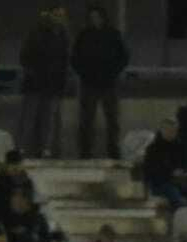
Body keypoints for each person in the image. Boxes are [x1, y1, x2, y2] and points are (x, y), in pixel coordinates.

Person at [72, 3, 128, 160]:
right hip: (89, 84)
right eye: (92, 18)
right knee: (86, 121)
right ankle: (85, 152)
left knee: (112, 120)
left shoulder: (113, 34)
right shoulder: (84, 35)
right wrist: (84, 73)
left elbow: (123, 57)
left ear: (103, 18)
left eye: (97, 17)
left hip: (108, 84)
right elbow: (75, 58)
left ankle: (113, 151)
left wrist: (112, 73)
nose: (95, 20)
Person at [19, 6, 70, 159]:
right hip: (35, 83)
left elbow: (65, 61)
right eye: (55, 15)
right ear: (49, 15)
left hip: (53, 85)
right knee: (30, 118)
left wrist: (62, 83)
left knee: (48, 119)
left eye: (61, 16)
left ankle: (45, 149)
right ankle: (22, 148)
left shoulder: (63, 36)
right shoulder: (36, 32)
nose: (58, 18)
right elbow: (25, 56)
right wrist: (33, 72)